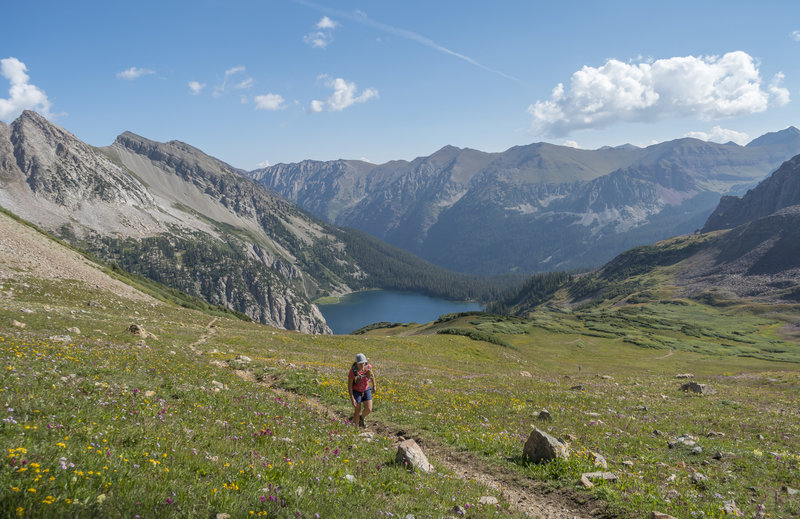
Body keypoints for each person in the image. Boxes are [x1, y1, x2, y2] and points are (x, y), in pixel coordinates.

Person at [347, 353, 376, 428]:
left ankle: (361, 418)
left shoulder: (368, 367)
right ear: (356, 363)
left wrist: (374, 385)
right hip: (356, 391)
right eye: (359, 364)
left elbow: (372, 376)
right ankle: (355, 429)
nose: (361, 366)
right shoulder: (352, 372)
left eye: (363, 363)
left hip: (366, 389)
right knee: (357, 409)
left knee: (369, 409)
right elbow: (349, 385)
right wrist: (352, 399)